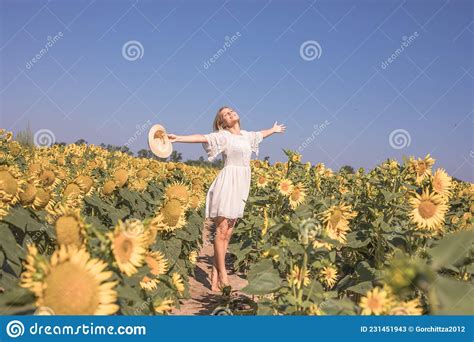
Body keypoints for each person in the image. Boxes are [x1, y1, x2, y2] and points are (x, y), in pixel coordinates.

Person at [167, 106, 286, 291]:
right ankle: (223, 275)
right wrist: (178, 138)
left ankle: (215, 273)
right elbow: (202, 137)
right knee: (221, 231)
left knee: (228, 233)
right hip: (227, 184)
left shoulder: (247, 136)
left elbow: (260, 134)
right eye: (225, 115)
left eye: (231, 111)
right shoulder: (224, 136)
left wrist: (274, 129)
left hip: (241, 186)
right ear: (222, 123)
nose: (231, 114)